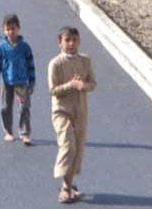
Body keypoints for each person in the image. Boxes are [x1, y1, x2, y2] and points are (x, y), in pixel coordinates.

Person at [48, 26, 96, 204]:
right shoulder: (55, 64)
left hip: (80, 110)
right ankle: (65, 187)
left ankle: (69, 183)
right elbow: (53, 90)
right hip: (61, 111)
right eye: (67, 40)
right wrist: (70, 85)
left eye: (74, 40)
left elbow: (93, 83)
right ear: (60, 42)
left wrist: (83, 85)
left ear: (79, 41)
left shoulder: (85, 61)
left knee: (78, 148)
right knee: (68, 145)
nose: (71, 44)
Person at [0, 13, 36, 145]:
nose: (11, 31)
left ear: (18, 28)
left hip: (22, 82)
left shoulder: (25, 47)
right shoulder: (2, 48)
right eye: (8, 29)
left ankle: (25, 133)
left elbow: (31, 65)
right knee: (5, 107)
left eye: (13, 28)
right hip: (6, 82)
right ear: (3, 30)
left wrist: (32, 83)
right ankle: (8, 131)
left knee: (24, 107)